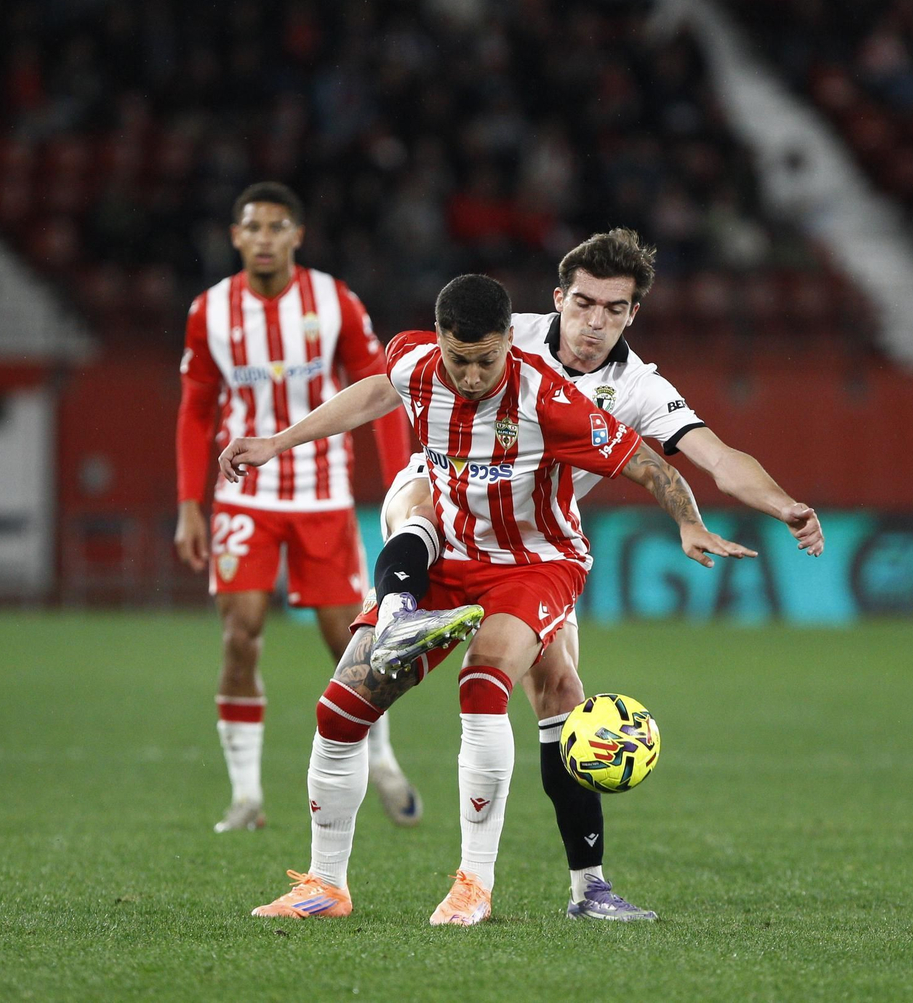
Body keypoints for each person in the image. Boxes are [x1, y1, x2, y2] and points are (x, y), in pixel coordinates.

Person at [220, 273, 755, 924]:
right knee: (338, 712)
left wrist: (688, 519)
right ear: (439, 340)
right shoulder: (415, 362)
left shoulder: (547, 397)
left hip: (534, 565)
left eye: (486, 360)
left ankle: (474, 884)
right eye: (458, 359)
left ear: (510, 341)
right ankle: (325, 885)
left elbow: (647, 460)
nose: (471, 375)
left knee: (484, 682)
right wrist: (278, 442)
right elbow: (369, 396)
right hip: (450, 555)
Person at [367, 228, 825, 919]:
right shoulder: (504, 334)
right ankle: (398, 611)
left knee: (561, 695)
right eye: (584, 304)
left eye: (614, 309)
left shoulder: (638, 387)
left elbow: (717, 455)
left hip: (534, 549)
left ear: (633, 313)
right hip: (451, 506)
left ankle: (590, 889)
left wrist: (784, 502)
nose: (595, 322)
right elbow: (403, 369)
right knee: (417, 502)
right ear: (558, 298)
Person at [174, 182, 417, 834]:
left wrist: (401, 484)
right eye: (252, 227)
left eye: (277, 227)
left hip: (321, 495)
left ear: (297, 236)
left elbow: (384, 392)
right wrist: (188, 505)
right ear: (235, 236)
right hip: (243, 497)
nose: (263, 238)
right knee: (240, 633)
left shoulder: (334, 303)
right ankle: (247, 795)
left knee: (350, 642)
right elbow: (197, 409)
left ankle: (384, 760)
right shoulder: (210, 312)